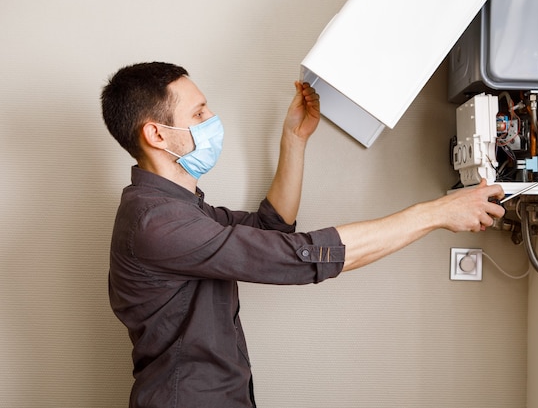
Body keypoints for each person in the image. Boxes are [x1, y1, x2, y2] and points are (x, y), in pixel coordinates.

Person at [101, 61, 504, 408]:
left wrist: (294, 139)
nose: (212, 122)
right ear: (157, 135)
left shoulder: (180, 210)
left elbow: (269, 229)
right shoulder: (158, 224)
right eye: (199, 114)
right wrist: (435, 213)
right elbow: (299, 256)